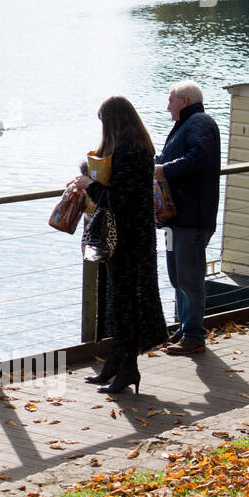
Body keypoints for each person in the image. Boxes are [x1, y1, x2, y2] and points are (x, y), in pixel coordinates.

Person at [72, 96, 168, 395]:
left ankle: (127, 369)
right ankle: (116, 364)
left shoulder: (131, 151)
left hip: (127, 237)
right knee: (119, 302)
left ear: (113, 121)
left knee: (125, 304)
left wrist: (90, 186)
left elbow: (118, 199)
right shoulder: (138, 147)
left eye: (104, 122)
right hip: (133, 235)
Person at [155, 81, 221, 355]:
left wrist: (164, 170)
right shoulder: (186, 124)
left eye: (170, 100)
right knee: (177, 277)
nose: (167, 106)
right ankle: (185, 328)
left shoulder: (199, 123)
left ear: (183, 100)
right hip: (177, 218)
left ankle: (194, 336)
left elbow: (199, 159)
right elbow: (174, 157)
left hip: (192, 217)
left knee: (189, 278)